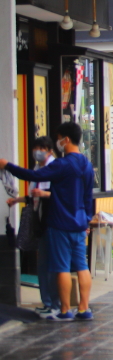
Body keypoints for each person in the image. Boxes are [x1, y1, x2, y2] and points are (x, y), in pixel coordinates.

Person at [0, 123, 94, 321]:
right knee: (82, 267)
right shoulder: (86, 164)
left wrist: (7, 165)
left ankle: (65, 310)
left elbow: (33, 175)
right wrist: (86, 220)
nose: (58, 142)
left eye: (59, 138)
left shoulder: (61, 164)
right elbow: (88, 197)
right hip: (79, 223)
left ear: (66, 140)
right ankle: (84, 309)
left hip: (60, 223)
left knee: (61, 268)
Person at [6, 137, 58, 317]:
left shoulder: (54, 168)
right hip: (39, 220)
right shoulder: (38, 167)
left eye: (41, 148)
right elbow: (33, 194)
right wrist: (18, 200)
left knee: (51, 264)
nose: (38, 151)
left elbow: (59, 195)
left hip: (51, 220)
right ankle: (47, 302)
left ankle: (55, 303)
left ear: (50, 151)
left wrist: (7, 166)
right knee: (42, 263)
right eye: (35, 148)